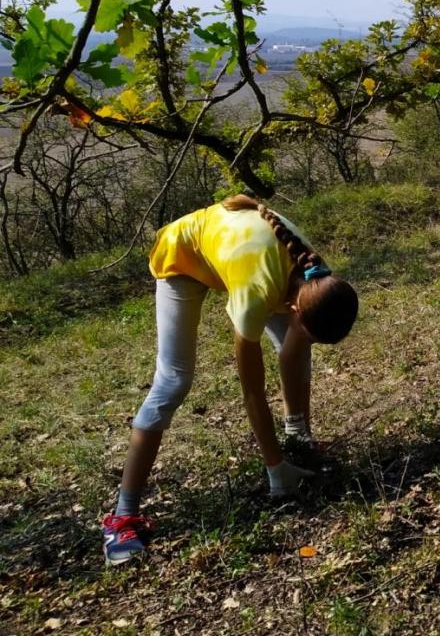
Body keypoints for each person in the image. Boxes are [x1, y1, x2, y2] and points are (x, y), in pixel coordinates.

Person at [101, 195, 358, 566]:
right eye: (304, 326)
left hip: (246, 257)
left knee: (299, 343)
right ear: (295, 307)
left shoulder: (318, 277)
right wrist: (275, 468)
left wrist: (295, 440)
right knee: (174, 380)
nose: (302, 334)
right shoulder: (258, 288)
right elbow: (251, 391)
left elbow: (295, 346)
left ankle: (297, 437)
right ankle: (122, 516)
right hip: (183, 257)